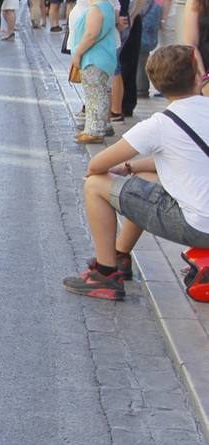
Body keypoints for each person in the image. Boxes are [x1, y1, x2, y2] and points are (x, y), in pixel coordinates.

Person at [64, 45, 209, 299]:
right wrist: (131, 168)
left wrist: (116, 169)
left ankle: (105, 274)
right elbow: (183, 160)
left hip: (198, 227)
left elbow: (96, 166)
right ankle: (120, 256)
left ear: (156, 84)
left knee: (95, 185)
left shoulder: (161, 124)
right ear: (198, 77)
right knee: (144, 181)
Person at [101, 0, 152, 121]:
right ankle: (119, 106)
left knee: (120, 64)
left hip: (123, 20)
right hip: (121, 19)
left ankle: (121, 106)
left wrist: (132, 14)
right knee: (120, 62)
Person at [70, 0, 119, 144]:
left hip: (93, 58)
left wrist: (77, 53)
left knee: (95, 94)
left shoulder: (96, 9)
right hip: (103, 57)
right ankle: (93, 127)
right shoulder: (107, 6)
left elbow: (91, 34)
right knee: (97, 93)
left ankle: (95, 130)